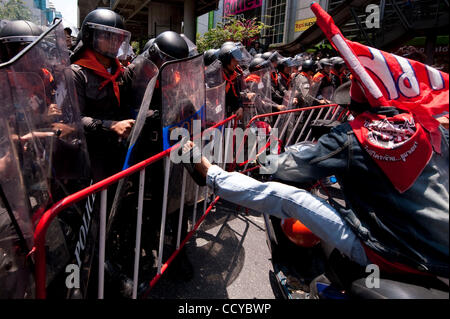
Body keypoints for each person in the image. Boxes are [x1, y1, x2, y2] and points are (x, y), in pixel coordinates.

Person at [181, 73, 449, 285]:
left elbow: (290, 167)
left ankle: (210, 174)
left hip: (391, 250)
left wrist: (258, 162)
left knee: (291, 198)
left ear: (355, 107)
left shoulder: (355, 136)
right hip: (437, 251)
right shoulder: (428, 128)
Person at [70, 8, 135, 182]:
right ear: (90, 37)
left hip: (115, 148)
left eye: (118, 37)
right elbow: (74, 118)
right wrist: (111, 125)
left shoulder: (121, 73)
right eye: (107, 36)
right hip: (88, 153)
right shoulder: (77, 73)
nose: (114, 42)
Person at [218, 42, 244, 120]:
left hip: (226, 116)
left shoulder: (233, 75)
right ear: (226, 59)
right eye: (234, 59)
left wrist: (240, 107)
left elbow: (236, 95)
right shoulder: (215, 75)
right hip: (213, 119)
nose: (237, 62)